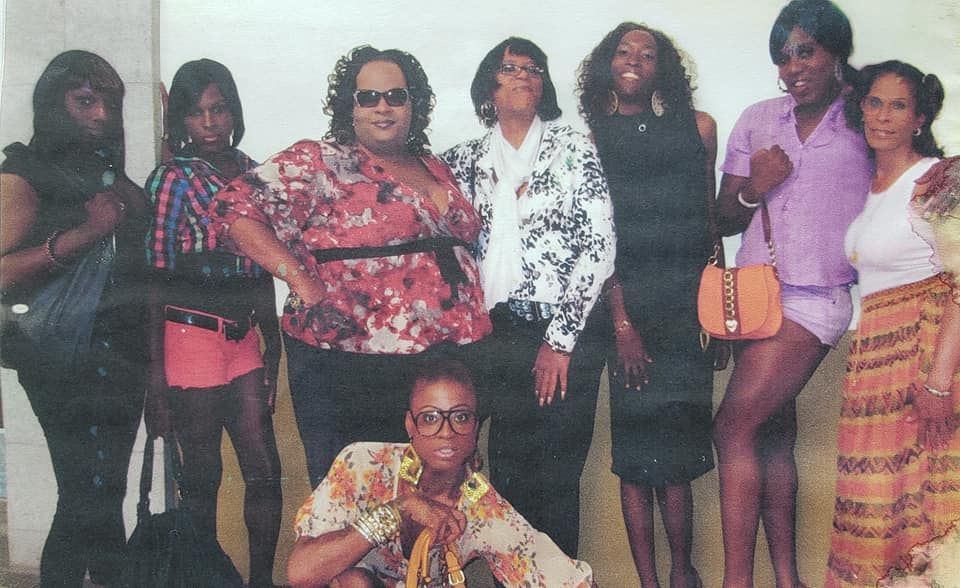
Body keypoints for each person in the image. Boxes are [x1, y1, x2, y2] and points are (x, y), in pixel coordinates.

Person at [212, 46, 491, 487]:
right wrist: (299, 278)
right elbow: (231, 209)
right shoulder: (319, 162)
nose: (383, 107)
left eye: (396, 96)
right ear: (350, 106)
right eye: (368, 97)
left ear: (414, 104)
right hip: (349, 365)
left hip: (442, 364)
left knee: (429, 501)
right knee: (359, 496)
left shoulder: (436, 166)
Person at [712, 1, 873, 586]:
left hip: (815, 298)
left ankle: (737, 581)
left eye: (807, 52)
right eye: (783, 58)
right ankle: (788, 579)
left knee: (732, 428)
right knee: (772, 439)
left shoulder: (863, 116)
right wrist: (755, 187)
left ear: (836, 53)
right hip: (757, 298)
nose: (793, 67)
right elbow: (725, 218)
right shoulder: (759, 118)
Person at [443, 37, 616, 558]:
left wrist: (559, 342)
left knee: (557, 477)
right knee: (509, 474)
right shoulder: (463, 160)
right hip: (498, 334)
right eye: (509, 67)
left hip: (568, 334)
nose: (523, 75)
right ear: (488, 88)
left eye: (533, 68)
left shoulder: (573, 148)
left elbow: (600, 247)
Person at [0, 50, 147, 587]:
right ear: (53, 103)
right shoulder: (23, 172)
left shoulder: (102, 168)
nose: (102, 114)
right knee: (85, 494)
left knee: (105, 492)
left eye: (110, 103)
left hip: (122, 355)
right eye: (85, 101)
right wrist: (84, 235)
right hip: (62, 361)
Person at [577, 22, 715, 588]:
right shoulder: (591, 138)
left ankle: (682, 574)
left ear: (664, 68)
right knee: (635, 464)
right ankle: (649, 582)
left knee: (676, 462)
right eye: (623, 50)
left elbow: (708, 225)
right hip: (626, 315)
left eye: (648, 53)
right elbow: (600, 238)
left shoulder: (698, 128)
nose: (634, 59)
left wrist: (715, 315)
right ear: (607, 63)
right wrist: (622, 323)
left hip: (686, 316)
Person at [143, 58, 283, 587]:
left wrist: (273, 344)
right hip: (188, 339)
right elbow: (153, 280)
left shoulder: (255, 174)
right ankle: (205, 579)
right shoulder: (172, 179)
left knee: (264, 470)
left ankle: (260, 581)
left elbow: (263, 265)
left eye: (219, 109)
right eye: (197, 112)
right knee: (202, 477)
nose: (209, 122)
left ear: (234, 112)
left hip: (244, 340)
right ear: (181, 118)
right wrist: (155, 381)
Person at [286, 359, 596, 587]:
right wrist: (400, 509)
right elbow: (301, 572)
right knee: (354, 581)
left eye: (460, 417)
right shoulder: (364, 463)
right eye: (430, 417)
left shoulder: (479, 503)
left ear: (475, 428)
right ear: (410, 425)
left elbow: (562, 577)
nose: (446, 432)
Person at [827, 60, 960, 587]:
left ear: (919, 118)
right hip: (874, 368)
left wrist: (939, 381)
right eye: (874, 102)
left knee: (928, 507)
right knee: (879, 511)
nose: (883, 116)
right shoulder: (868, 186)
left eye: (898, 105)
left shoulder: (938, 178)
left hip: (925, 361)